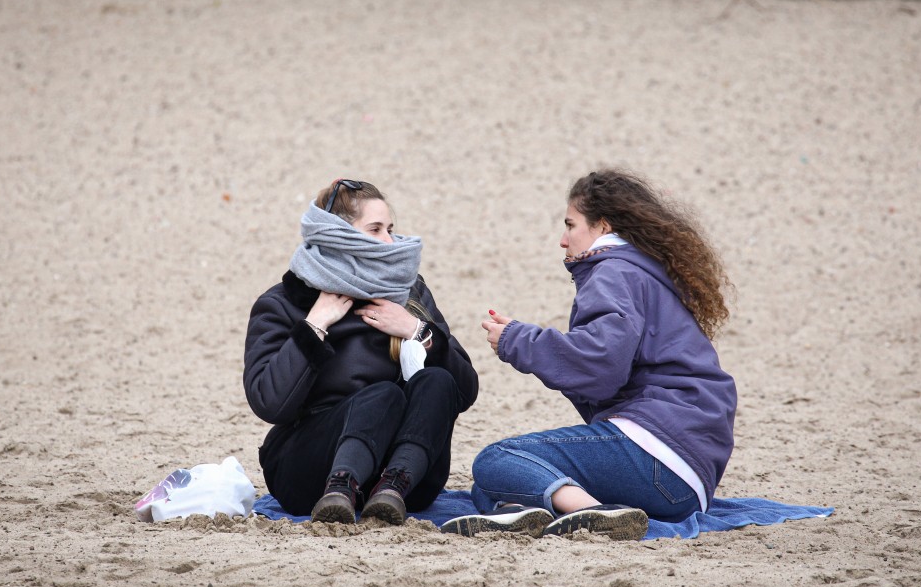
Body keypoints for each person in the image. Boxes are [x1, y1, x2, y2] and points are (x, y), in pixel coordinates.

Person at [441, 169, 736, 541]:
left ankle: (594, 512)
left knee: (497, 459)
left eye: (570, 224)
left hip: (659, 454)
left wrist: (519, 340)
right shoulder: (644, 273)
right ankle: (519, 514)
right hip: (688, 483)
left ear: (602, 227)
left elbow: (600, 365)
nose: (563, 240)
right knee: (492, 487)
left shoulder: (614, 271)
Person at [244, 178, 478, 525]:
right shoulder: (283, 302)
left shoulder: (408, 294)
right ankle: (342, 487)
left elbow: (463, 392)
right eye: (375, 230)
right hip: (309, 472)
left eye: (391, 229)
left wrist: (416, 329)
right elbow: (269, 402)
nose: (389, 241)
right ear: (338, 235)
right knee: (381, 394)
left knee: (437, 380)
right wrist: (314, 326)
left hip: (406, 481)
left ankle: (391, 488)